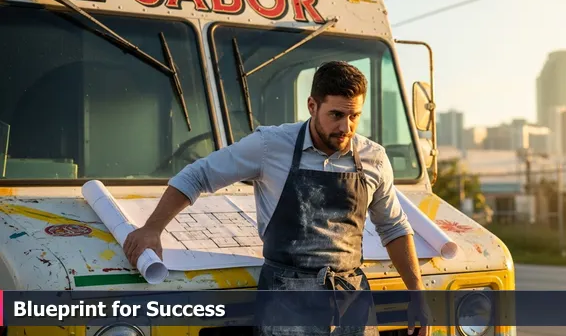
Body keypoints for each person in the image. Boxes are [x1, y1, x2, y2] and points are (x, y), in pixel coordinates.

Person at [122, 61, 429, 335]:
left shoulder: (374, 158)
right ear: (312, 105)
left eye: (354, 116)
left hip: (350, 302)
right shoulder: (271, 146)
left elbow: (393, 227)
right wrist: (152, 229)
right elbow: (197, 176)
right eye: (336, 115)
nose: (345, 127)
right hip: (286, 303)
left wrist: (417, 293)